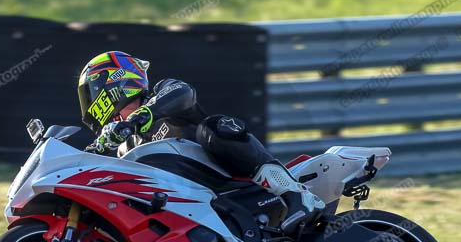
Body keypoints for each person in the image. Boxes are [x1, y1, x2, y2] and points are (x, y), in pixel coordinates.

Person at [77, 51, 324, 232]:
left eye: (91, 92)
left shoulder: (162, 93)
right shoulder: (125, 149)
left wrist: (139, 117)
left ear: (113, 83)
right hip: (192, 213)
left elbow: (183, 92)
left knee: (213, 126)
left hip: (233, 182)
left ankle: (295, 194)